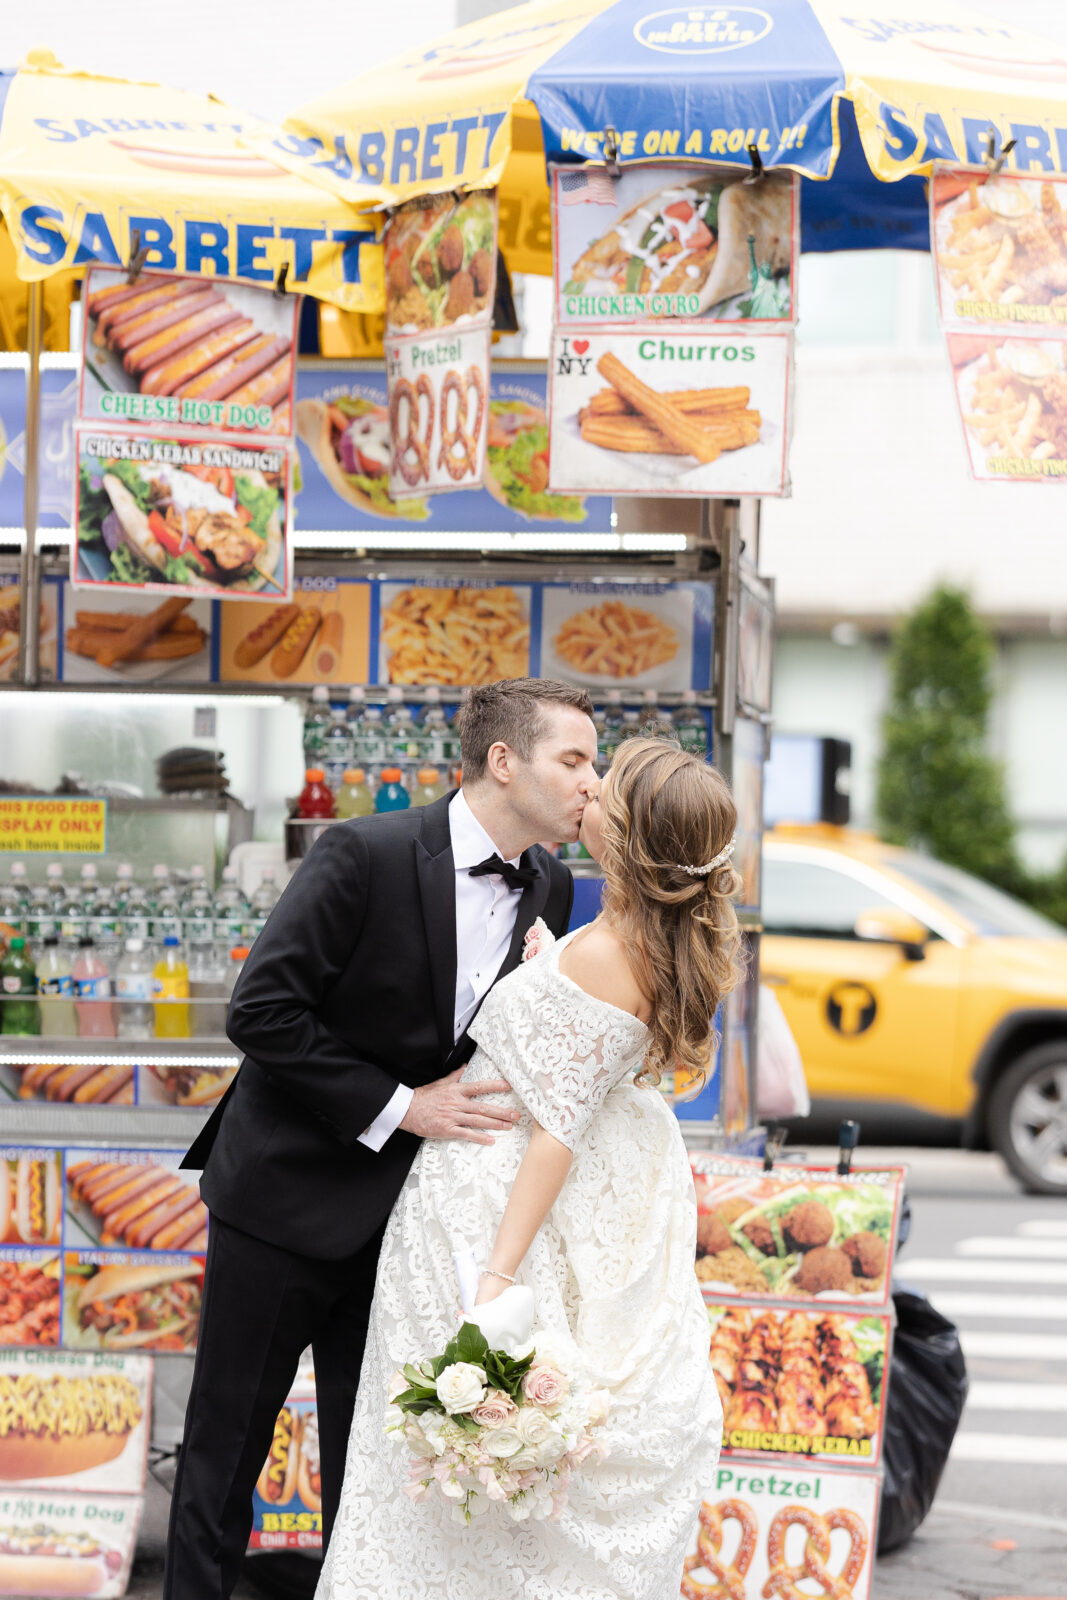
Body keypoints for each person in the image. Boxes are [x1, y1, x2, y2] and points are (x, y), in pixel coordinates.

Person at [164, 678, 597, 1600]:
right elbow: (262, 1012)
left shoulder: (551, 881)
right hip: (281, 1198)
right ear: (503, 761)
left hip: (411, 1223)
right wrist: (403, 1105)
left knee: (374, 1471)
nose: (590, 783)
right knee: (224, 1451)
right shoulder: (363, 852)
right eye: (574, 760)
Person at [318, 737, 744, 1600]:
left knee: (446, 1462)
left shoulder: (604, 952)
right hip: (576, 1187)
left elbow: (553, 1130)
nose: (589, 789)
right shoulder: (639, 938)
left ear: (629, 832)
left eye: (605, 782)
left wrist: (497, 1273)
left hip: (495, 1196)